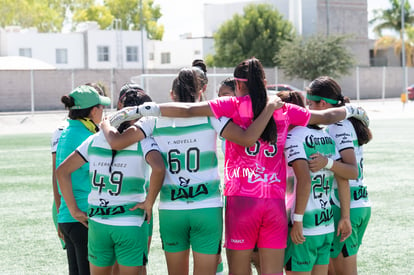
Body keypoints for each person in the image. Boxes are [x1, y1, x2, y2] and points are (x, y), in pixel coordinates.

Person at [113, 57, 369, 275]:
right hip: (274, 203)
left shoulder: (232, 105)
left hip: (241, 203)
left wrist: (145, 109)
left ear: (237, 84)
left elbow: (189, 110)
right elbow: (326, 116)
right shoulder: (284, 108)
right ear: (265, 83)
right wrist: (353, 110)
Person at [101, 67, 284, 275]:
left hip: (172, 210)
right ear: (201, 94)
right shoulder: (212, 117)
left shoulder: (151, 121)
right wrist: (269, 108)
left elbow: (116, 142)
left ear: (172, 95)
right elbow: (247, 138)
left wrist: (106, 124)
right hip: (207, 209)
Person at [57, 90, 165, 275]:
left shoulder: (94, 139)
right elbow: (159, 168)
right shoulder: (144, 141)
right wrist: (149, 201)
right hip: (129, 221)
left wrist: (74, 210)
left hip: (98, 222)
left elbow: (62, 172)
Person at [282, 89, 355, 274]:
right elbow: (343, 178)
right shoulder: (327, 137)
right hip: (326, 225)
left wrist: (297, 219)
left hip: (304, 228)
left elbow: (304, 181)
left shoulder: (294, 136)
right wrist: (345, 217)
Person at [305, 76, 372, 275]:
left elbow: (352, 171)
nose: (308, 109)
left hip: (345, 206)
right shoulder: (350, 122)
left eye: (310, 104)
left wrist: (326, 163)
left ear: (323, 104)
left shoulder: (337, 126)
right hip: (360, 203)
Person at [55, 84, 111, 275]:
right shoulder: (86, 136)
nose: (104, 111)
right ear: (93, 110)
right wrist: (75, 211)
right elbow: (62, 173)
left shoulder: (67, 132)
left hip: (68, 219)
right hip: (82, 218)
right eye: (101, 107)